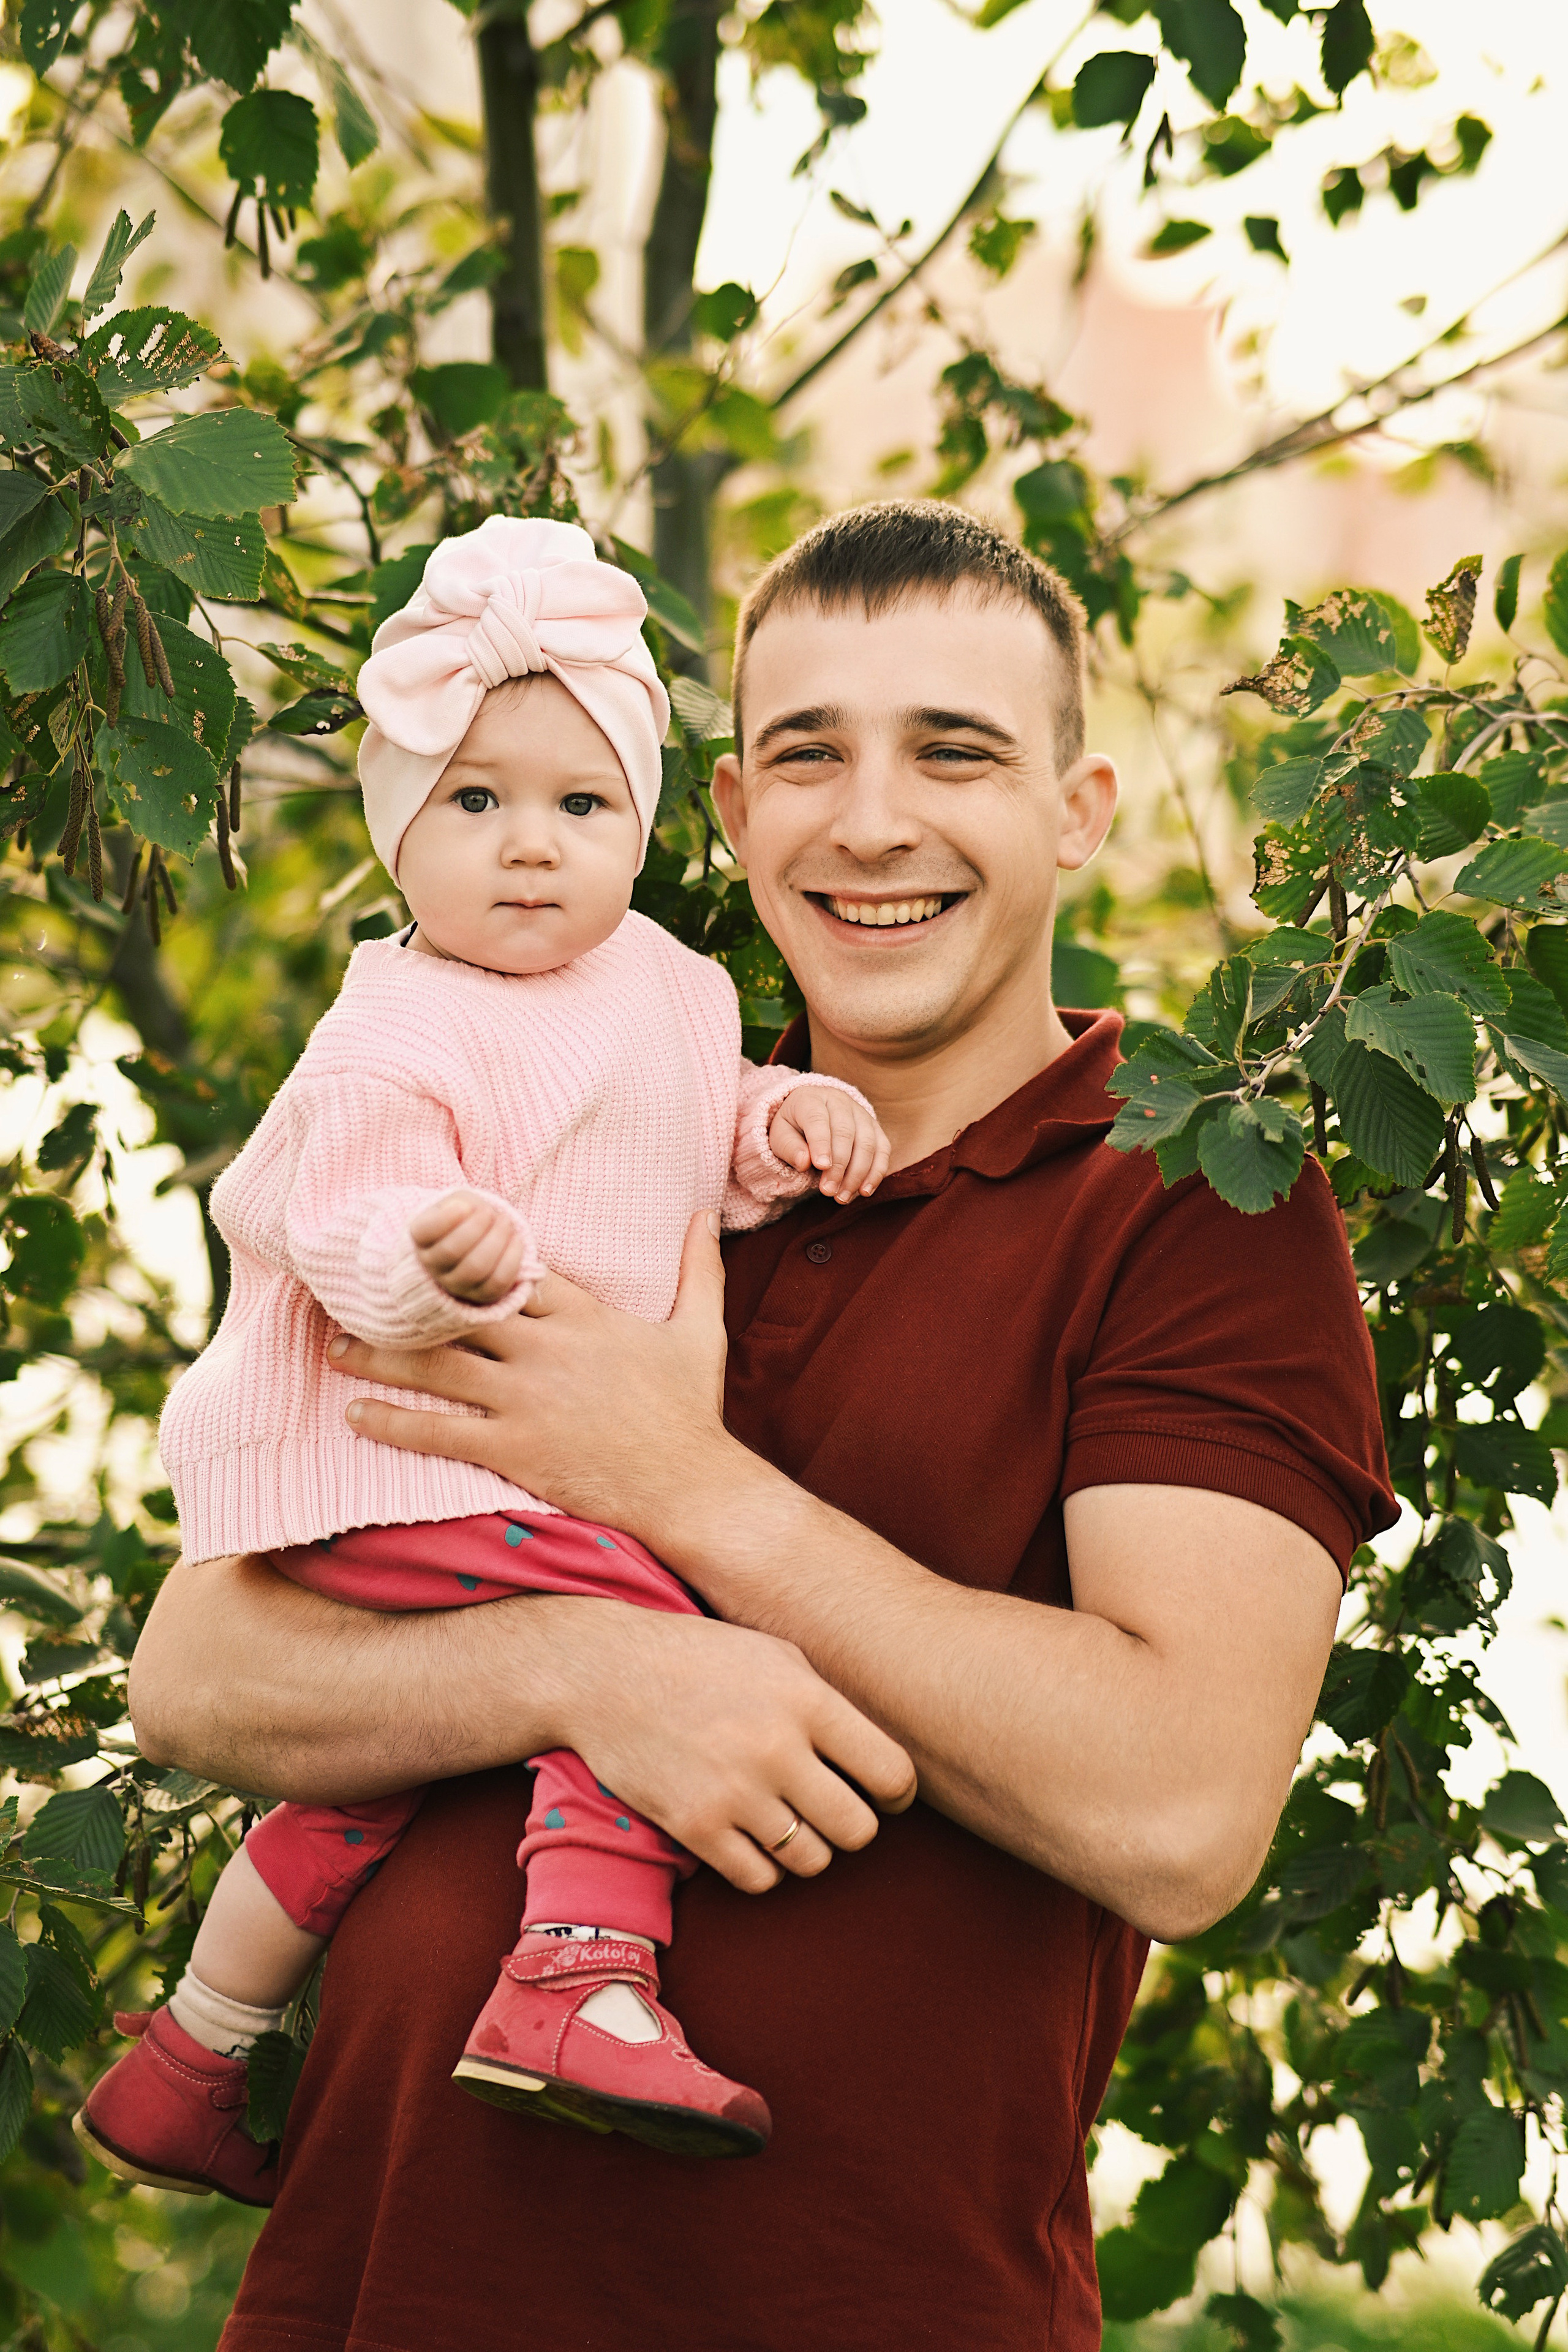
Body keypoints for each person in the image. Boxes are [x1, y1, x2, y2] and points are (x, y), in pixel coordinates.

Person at [129, 500, 1396, 2352]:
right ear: (730, 813)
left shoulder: (1186, 1198)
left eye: (953, 753)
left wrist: (679, 1486)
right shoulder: (590, 1137)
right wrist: (587, 1668)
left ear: (1078, 810)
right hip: (379, 2284)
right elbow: (198, 1673)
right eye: (807, 756)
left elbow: (1179, 1807)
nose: (870, 822)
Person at [79, 518, 895, 2203]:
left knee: (376, 1772)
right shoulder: (399, 1022)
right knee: (642, 1632)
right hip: (404, 1451)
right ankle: (576, 1980)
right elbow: (339, 1210)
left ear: (643, 829)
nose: (532, 847)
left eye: (583, 806)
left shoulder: (667, 984)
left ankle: (193, 2058)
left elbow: (689, 1134)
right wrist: (427, 1256)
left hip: (521, 1465)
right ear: (397, 829)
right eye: (474, 802)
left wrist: (781, 1124)